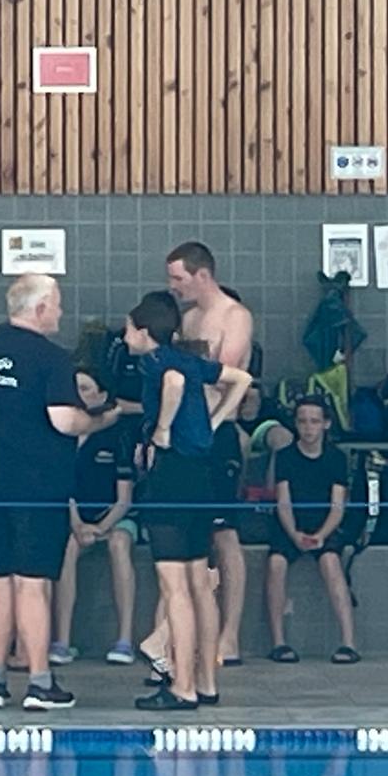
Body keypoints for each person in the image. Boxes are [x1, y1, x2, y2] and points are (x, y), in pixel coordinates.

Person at [0, 274, 121, 711]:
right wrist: (100, 420)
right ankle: (39, 681)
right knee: (32, 583)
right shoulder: (51, 357)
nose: (62, 312)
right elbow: (64, 421)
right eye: (58, 304)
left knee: (1, 577)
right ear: (41, 307)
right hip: (39, 485)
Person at [125, 293, 250, 711]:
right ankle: (207, 681)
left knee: (174, 585)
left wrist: (162, 429)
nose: (125, 337)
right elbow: (242, 379)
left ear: (145, 332)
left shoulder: (156, 362)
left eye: (129, 329)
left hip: (170, 478)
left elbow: (174, 384)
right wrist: (216, 419)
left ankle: (182, 685)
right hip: (202, 476)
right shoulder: (188, 358)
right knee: (200, 583)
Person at [165, 242, 255, 667]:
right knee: (189, 532)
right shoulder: (188, 320)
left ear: (202, 275)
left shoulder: (235, 316)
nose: (173, 286)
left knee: (224, 534)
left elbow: (225, 375)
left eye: (178, 278)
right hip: (187, 436)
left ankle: (229, 636)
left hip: (219, 433)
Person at [264, 397, 360, 666]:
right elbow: (283, 502)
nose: (308, 428)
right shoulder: (285, 456)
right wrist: (294, 534)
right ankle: (279, 642)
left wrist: (321, 535)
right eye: (303, 422)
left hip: (324, 524)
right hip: (291, 524)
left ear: (326, 424)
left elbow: (338, 505)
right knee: (276, 563)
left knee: (331, 561)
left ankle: (349, 642)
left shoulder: (336, 458)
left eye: (314, 422)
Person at [52, 369, 139, 666]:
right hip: (77, 518)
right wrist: (78, 524)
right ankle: (63, 641)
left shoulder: (117, 436)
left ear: (102, 395)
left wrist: (101, 527)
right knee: (67, 547)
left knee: (119, 544)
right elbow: (63, 489)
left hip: (114, 516)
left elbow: (124, 499)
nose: (79, 394)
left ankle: (124, 640)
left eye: (86, 388)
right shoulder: (62, 432)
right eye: (75, 388)